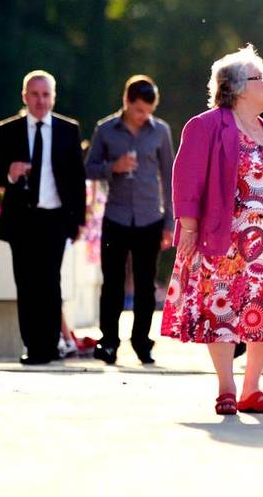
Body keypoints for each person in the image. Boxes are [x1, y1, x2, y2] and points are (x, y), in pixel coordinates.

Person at [161, 45, 263, 415]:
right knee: (222, 312)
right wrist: (189, 228)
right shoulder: (206, 125)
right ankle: (227, 388)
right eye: (262, 77)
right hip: (224, 239)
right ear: (240, 87)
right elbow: (187, 179)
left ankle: (252, 388)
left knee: (262, 312)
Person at [0, 70, 86, 365]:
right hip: (22, 220)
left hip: (55, 218)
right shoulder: (9, 130)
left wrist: (77, 221)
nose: (40, 100)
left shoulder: (68, 129)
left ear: (53, 97)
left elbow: (77, 179)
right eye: (34, 94)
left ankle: (50, 344)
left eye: (46, 95)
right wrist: (9, 172)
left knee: (50, 282)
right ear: (24, 97)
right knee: (27, 284)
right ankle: (34, 347)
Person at [86, 76, 174, 365]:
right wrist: (114, 167)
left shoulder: (160, 131)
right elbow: (89, 169)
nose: (143, 117)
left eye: (148, 111)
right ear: (126, 102)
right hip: (117, 216)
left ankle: (141, 341)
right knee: (112, 283)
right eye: (138, 111)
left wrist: (169, 224)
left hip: (150, 217)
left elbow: (170, 178)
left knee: (146, 284)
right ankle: (108, 341)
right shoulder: (105, 130)